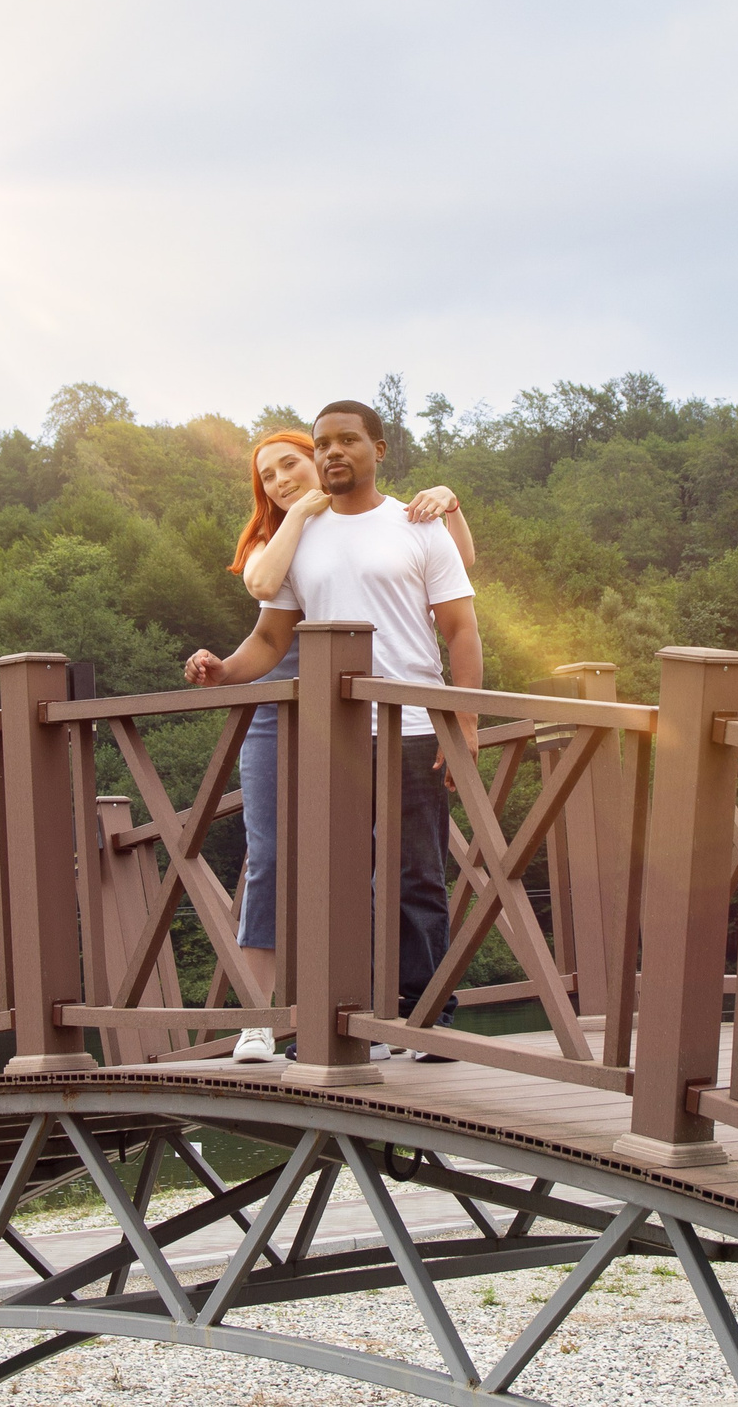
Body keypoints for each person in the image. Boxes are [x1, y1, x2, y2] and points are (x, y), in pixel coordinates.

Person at [186, 403, 482, 1065]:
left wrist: (463, 722)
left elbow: (461, 629)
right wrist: (224, 671)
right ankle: (345, 1023)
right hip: (330, 736)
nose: (332, 452)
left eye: (346, 441)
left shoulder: (416, 524)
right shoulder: (301, 540)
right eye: (322, 444)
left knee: (415, 876)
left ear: (377, 448)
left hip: (410, 724)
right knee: (333, 879)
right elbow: (268, 638)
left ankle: (426, 1019)